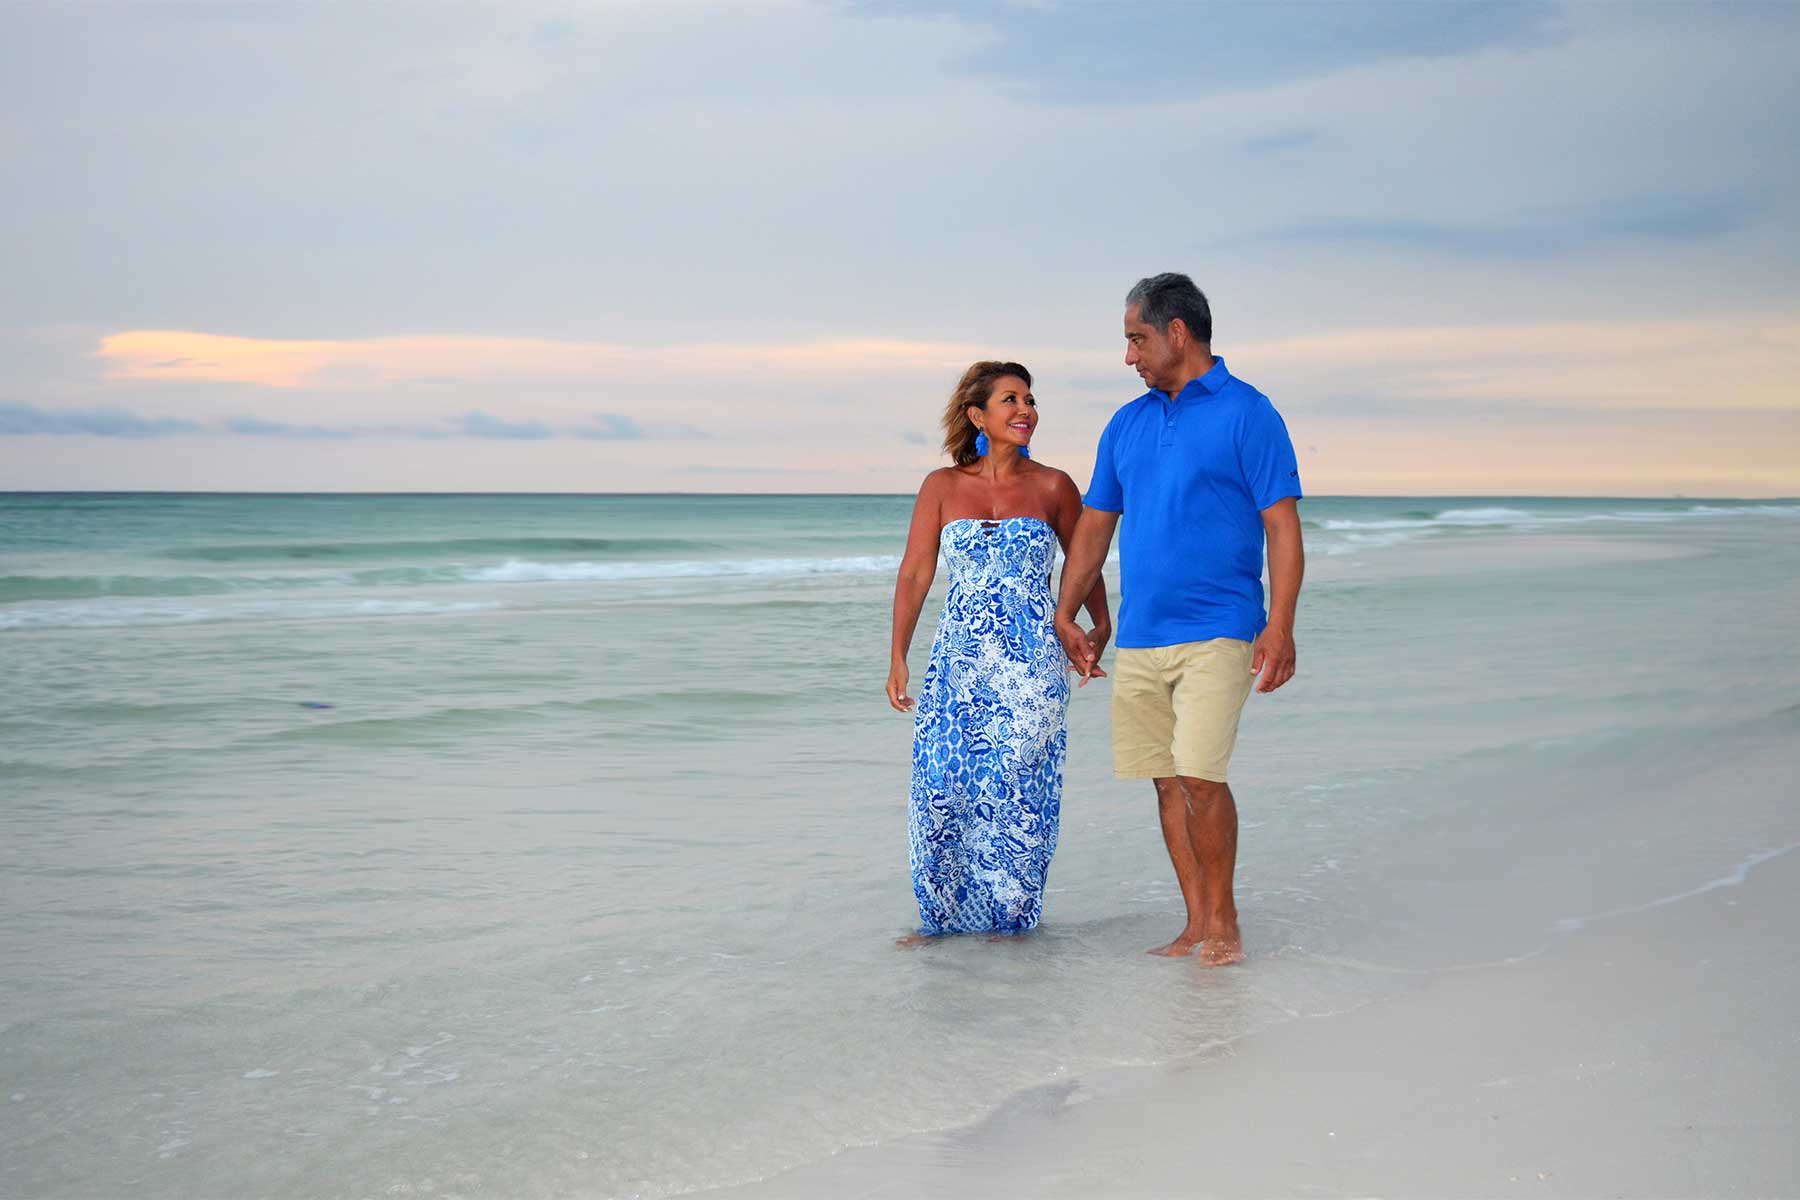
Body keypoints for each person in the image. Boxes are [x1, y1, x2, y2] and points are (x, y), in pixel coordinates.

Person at [1054, 273, 1305, 966]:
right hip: (1140, 633)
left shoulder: (1249, 413)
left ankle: (1225, 925)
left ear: (1177, 333)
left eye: (1136, 339)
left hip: (1221, 625)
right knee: (1166, 780)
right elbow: (1096, 527)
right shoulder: (1125, 424)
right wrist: (1064, 611)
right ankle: (1195, 924)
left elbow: (1281, 528)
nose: (1129, 357)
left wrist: (1279, 624)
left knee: (1199, 774)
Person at [887, 361, 1111, 942]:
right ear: (977, 415)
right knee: (941, 790)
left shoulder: (1054, 486)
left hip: (1031, 664)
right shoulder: (942, 487)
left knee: (1013, 789)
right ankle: (942, 922)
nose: (1025, 410)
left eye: (1030, 400)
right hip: (957, 665)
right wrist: (898, 657)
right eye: (1010, 399)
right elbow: (915, 573)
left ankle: (1009, 926)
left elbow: (1084, 562)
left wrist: (1098, 626)